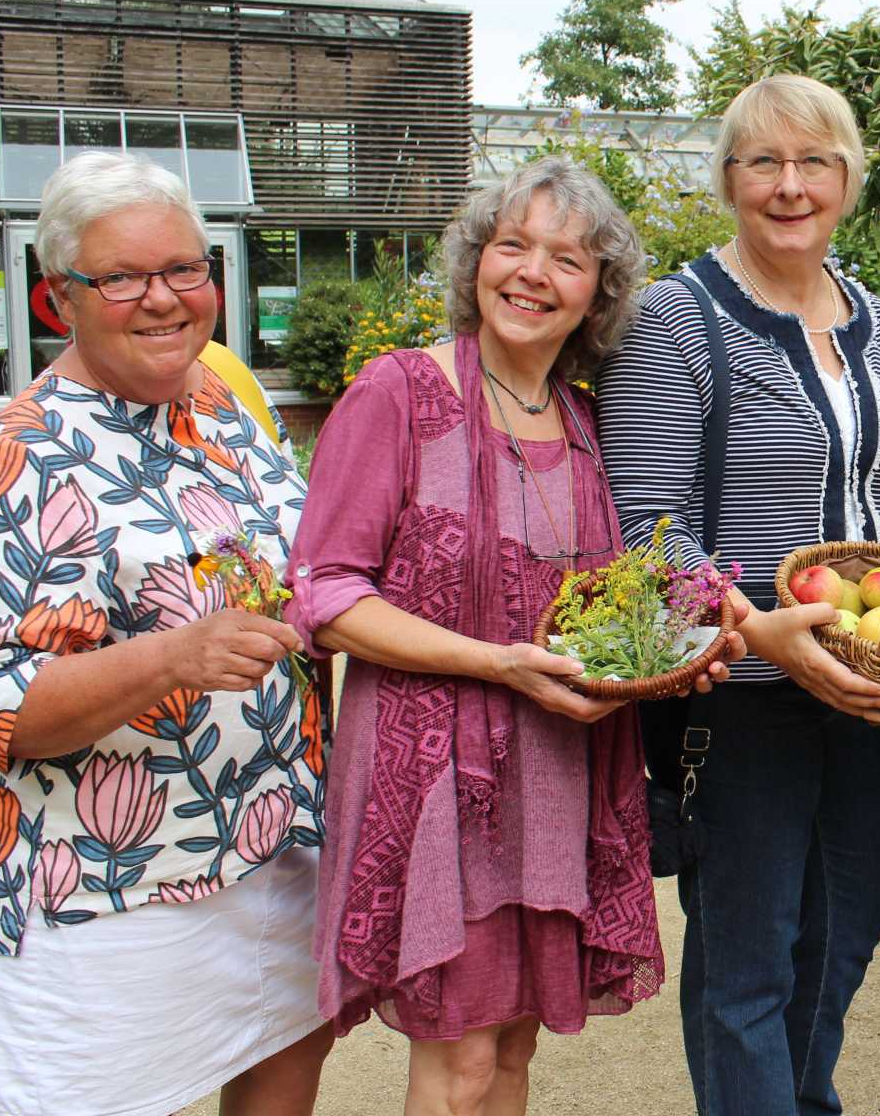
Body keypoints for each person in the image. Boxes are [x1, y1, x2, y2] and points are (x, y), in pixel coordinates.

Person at [286, 156, 710, 1115]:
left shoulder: (583, 420)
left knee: (513, 1055)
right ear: (476, 262)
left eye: (566, 259)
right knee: (462, 1063)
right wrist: (498, 664)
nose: (532, 273)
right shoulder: (399, 394)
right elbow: (324, 594)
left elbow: (619, 587)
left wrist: (701, 630)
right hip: (437, 773)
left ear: (598, 293)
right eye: (512, 245)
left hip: (558, 769)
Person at [0, 151, 332, 1115]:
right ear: (57, 301)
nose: (162, 299)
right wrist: (176, 654)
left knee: (283, 1069)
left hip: (272, 847)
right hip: (112, 891)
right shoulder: (19, 458)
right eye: (120, 277)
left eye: (184, 269)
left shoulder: (224, 409)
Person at [597, 73, 880, 1116]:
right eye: (763, 162)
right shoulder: (674, 319)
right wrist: (758, 632)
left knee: (848, 921)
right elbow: (646, 528)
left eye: (813, 162)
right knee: (749, 950)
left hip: (860, 671)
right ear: (727, 181)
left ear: (848, 180)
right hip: (741, 679)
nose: (789, 185)